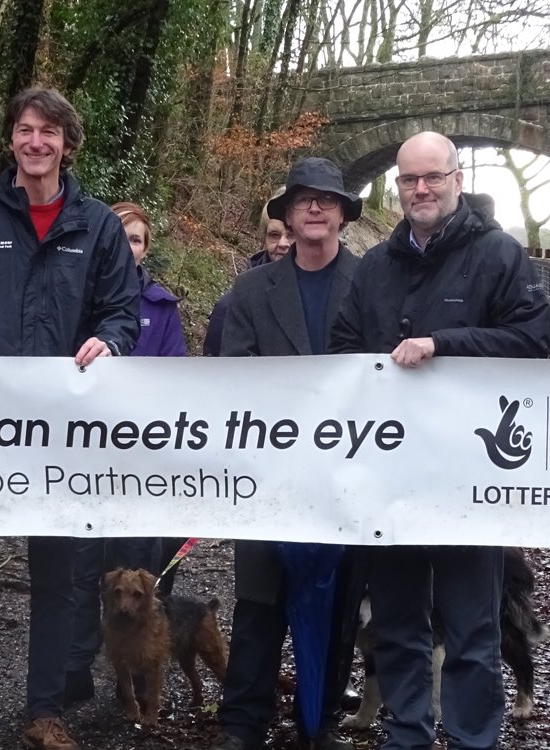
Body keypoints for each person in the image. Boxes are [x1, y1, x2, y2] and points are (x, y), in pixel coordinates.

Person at [0, 86, 139, 750]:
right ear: (11, 139)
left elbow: (121, 310)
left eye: (49, 131)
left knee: (56, 578)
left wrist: (113, 342)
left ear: (67, 143)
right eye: (24, 129)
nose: (35, 141)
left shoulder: (97, 225)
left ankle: (44, 711)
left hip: (61, 434)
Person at [330, 132, 549, 750]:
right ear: (396, 186)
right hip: (392, 476)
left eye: (432, 177)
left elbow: (531, 343)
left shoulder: (500, 255)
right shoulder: (375, 266)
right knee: (398, 624)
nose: (420, 190)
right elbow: (346, 349)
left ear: (457, 178)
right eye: (408, 180)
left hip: (469, 477)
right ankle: (408, 735)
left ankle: (474, 737)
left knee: (472, 626)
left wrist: (442, 345)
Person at [206, 157, 362, 750]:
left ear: (343, 212)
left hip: (348, 474)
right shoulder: (251, 289)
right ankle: (243, 719)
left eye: (326, 198)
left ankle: (317, 719)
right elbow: (235, 376)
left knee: (338, 599)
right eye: (303, 200)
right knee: (259, 598)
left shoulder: (371, 281)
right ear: (289, 216)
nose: (315, 208)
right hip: (270, 472)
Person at [64, 201, 183, 704]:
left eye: (135, 239)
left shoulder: (161, 307)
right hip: (83, 460)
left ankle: (134, 679)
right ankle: (72, 672)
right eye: (118, 236)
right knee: (81, 569)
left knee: (137, 565)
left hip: (141, 464)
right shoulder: (74, 297)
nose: (127, 247)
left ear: (145, 248)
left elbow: (176, 379)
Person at [202, 189, 292, 357]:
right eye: (274, 235)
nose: (283, 243)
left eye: (291, 235)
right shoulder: (232, 307)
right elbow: (214, 373)